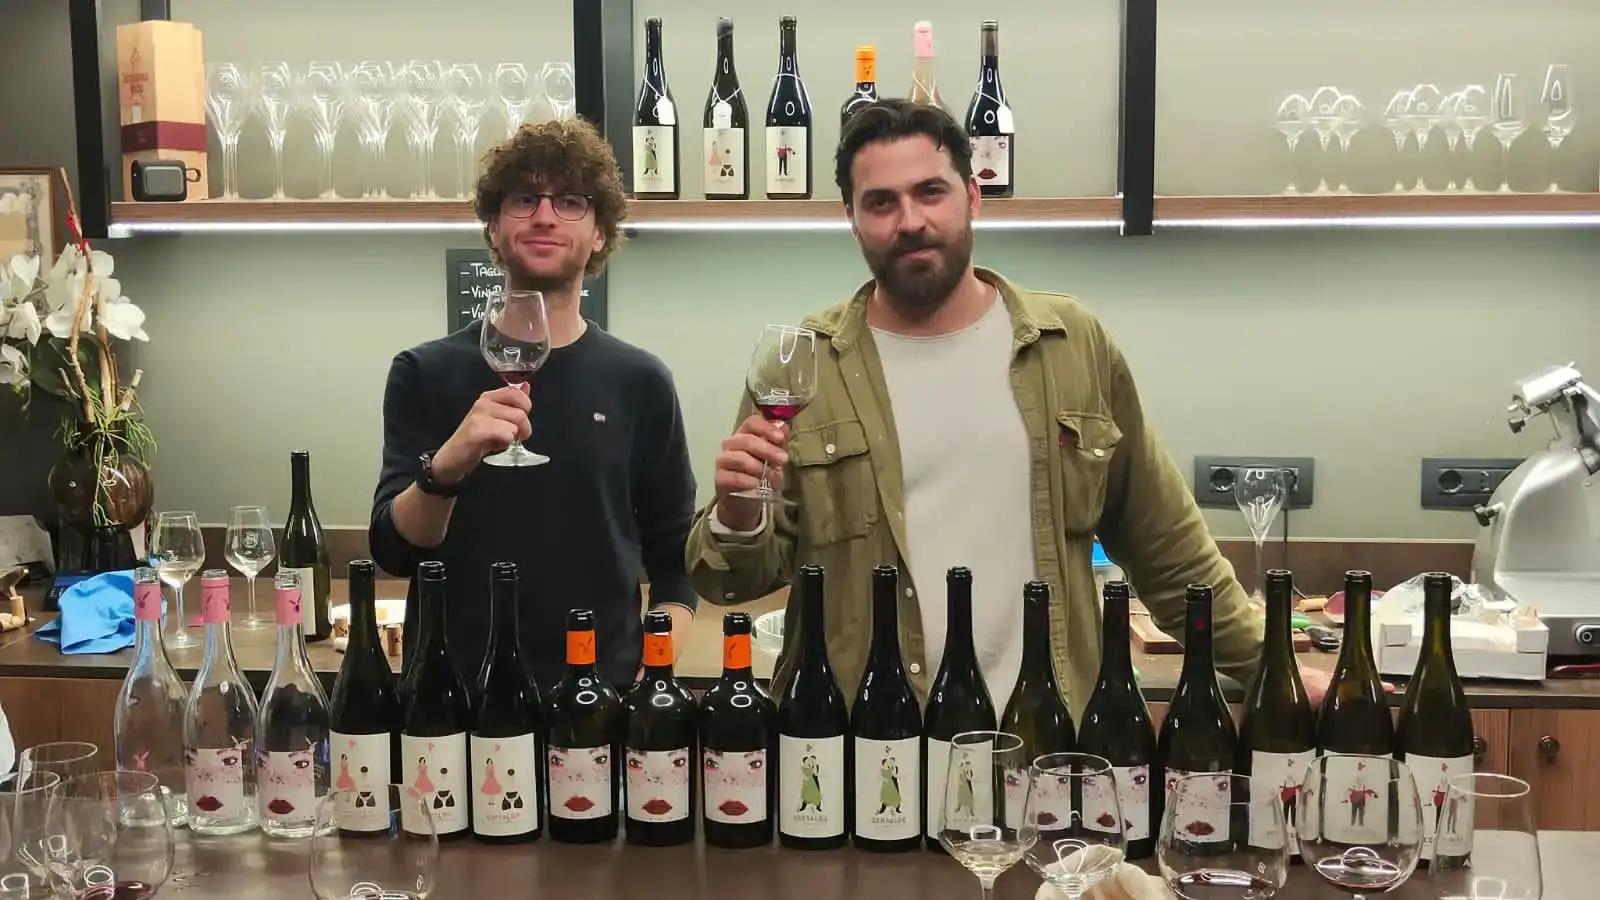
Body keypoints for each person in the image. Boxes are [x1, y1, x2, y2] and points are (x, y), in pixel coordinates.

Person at [684, 99, 1333, 717]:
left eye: (930, 192)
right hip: (869, 743)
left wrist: (1274, 667)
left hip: (1044, 738)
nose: (910, 221)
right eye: (881, 202)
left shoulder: (1071, 344)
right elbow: (733, 581)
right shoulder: (804, 367)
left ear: (972, 196)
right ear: (851, 218)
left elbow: (1169, 551)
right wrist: (738, 516)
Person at [369, 118, 698, 691]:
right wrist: (447, 468)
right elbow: (393, 552)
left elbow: (676, 560)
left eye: (570, 201)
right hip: (454, 698)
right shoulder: (423, 373)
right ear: (494, 228)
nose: (544, 216)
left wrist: (657, 663)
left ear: (600, 233)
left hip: (598, 695)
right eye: (524, 199)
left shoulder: (641, 382)